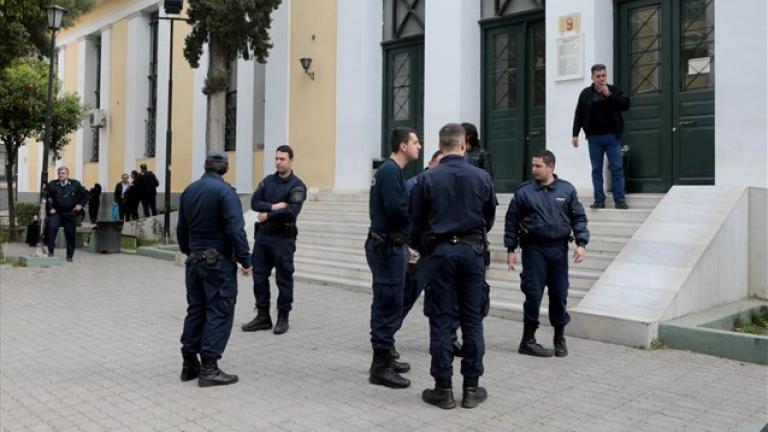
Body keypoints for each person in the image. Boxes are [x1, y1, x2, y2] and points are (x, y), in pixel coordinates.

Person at [410, 123, 497, 410]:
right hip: (472, 252)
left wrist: (428, 247)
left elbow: (416, 222)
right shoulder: (482, 177)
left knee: (442, 320)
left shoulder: (427, 179)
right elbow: (489, 216)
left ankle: (443, 388)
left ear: (441, 144)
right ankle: (471, 387)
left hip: (441, 252)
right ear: (463, 145)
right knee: (472, 320)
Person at [504, 149, 589, 359]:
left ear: (550, 167)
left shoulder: (566, 190)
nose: (534, 169)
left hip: (558, 250)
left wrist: (581, 243)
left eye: (538, 166)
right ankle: (528, 340)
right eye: (533, 165)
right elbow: (511, 221)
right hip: (534, 250)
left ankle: (559, 337)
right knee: (533, 294)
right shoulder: (524, 192)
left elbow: (578, 217)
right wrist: (510, 249)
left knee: (559, 295)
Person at [177, 150, 252, 387]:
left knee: (196, 310)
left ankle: (189, 363)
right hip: (218, 263)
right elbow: (235, 229)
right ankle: (209, 367)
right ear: (225, 168)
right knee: (219, 310)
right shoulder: (226, 192)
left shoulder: (190, 190)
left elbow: (181, 228)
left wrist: (190, 252)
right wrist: (246, 259)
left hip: (195, 261)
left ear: (205, 165)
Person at [365, 127, 421, 389]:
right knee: (388, 303)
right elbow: (397, 210)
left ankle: (386, 357)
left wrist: (405, 241)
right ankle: (380, 367)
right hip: (386, 248)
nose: (418, 147)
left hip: (391, 245)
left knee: (389, 301)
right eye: (415, 142)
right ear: (402, 146)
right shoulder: (389, 172)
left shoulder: (392, 171)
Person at [400, 149, 463, 359]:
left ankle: (449, 339)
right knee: (407, 295)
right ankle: (387, 339)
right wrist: (408, 245)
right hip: (419, 251)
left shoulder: (450, 185)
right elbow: (404, 217)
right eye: (440, 164)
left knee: (448, 298)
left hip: (443, 251)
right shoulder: (413, 185)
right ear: (430, 163)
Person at [241, 145, 307, 335]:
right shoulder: (268, 181)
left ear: (291, 160)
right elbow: (255, 202)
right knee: (259, 277)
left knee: (283, 278)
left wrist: (267, 215)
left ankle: (283, 317)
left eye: (282, 159)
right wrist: (273, 207)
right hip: (263, 238)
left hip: (283, 239)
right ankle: (263, 316)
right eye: (276, 159)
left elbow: (292, 210)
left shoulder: (297, 185)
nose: (278, 162)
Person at [571, 64, 631, 209]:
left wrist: (609, 95)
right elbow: (579, 113)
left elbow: (625, 104)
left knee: (617, 168)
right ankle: (599, 200)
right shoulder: (586, 93)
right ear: (592, 77)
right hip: (594, 138)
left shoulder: (613, 90)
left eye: (603, 75)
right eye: (598, 76)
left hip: (612, 137)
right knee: (596, 170)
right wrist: (575, 134)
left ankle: (619, 200)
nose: (601, 79)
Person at [45, 166, 89, 262]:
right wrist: (51, 208)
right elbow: (47, 197)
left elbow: (86, 194)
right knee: (51, 227)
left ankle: (70, 255)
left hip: (70, 213)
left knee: (70, 233)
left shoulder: (75, 184)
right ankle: (51, 250)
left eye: (63, 173)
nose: (60, 175)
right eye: (59, 173)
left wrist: (80, 204)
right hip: (56, 212)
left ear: (67, 174)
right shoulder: (53, 184)